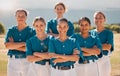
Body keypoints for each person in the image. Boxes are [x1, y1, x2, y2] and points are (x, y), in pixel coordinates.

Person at [4, 9, 35, 76]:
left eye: (22, 16)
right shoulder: (11, 30)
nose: (20, 18)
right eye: (18, 16)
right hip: (13, 62)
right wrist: (25, 43)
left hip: (27, 61)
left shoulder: (32, 31)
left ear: (26, 17)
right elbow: (7, 46)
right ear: (15, 17)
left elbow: (30, 49)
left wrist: (13, 45)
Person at [93, 11, 114, 76]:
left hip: (104, 60)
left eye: (100, 18)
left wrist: (94, 47)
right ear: (94, 20)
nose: (98, 20)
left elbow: (108, 47)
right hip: (92, 61)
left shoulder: (108, 33)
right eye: (96, 18)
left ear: (104, 19)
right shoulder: (90, 33)